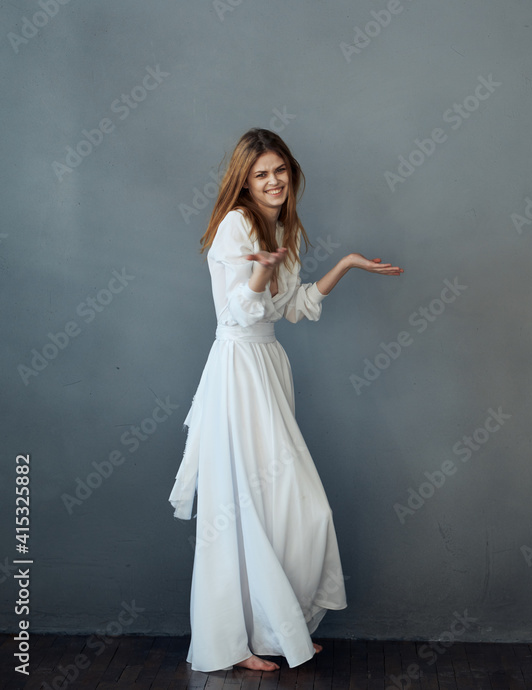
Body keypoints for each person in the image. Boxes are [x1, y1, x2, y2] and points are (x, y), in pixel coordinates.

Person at [169, 128, 402, 673]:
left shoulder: (283, 227)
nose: (273, 181)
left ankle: (276, 627)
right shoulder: (238, 224)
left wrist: (343, 265)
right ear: (245, 180)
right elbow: (235, 314)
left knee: (282, 507)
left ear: (291, 173)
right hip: (238, 371)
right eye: (261, 174)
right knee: (243, 506)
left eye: (280, 171)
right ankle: (235, 643)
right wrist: (260, 272)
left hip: (269, 366)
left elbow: (292, 308)